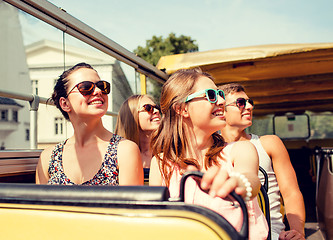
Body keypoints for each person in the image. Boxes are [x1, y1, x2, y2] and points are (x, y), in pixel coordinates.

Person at [149, 68, 268, 240]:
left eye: (220, 94)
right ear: (182, 109)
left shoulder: (240, 150)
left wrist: (239, 184)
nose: (221, 100)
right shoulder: (160, 163)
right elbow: (157, 222)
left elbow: (251, 179)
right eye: (211, 95)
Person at [219, 83, 305, 240]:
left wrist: (297, 231)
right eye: (240, 103)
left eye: (250, 102)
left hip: (272, 233)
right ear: (221, 110)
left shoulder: (270, 143)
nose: (249, 107)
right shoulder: (211, 150)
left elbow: (291, 192)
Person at [35, 62, 143, 185]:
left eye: (102, 86)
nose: (98, 91)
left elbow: (130, 203)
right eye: (86, 87)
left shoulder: (124, 150)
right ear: (65, 104)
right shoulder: (48, 157)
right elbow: (41, 204)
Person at [115, 94, 161, 180]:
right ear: (132, 116)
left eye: (157, 107)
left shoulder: (169, 152)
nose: (156, 111)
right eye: (148, 108)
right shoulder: (117, 155)